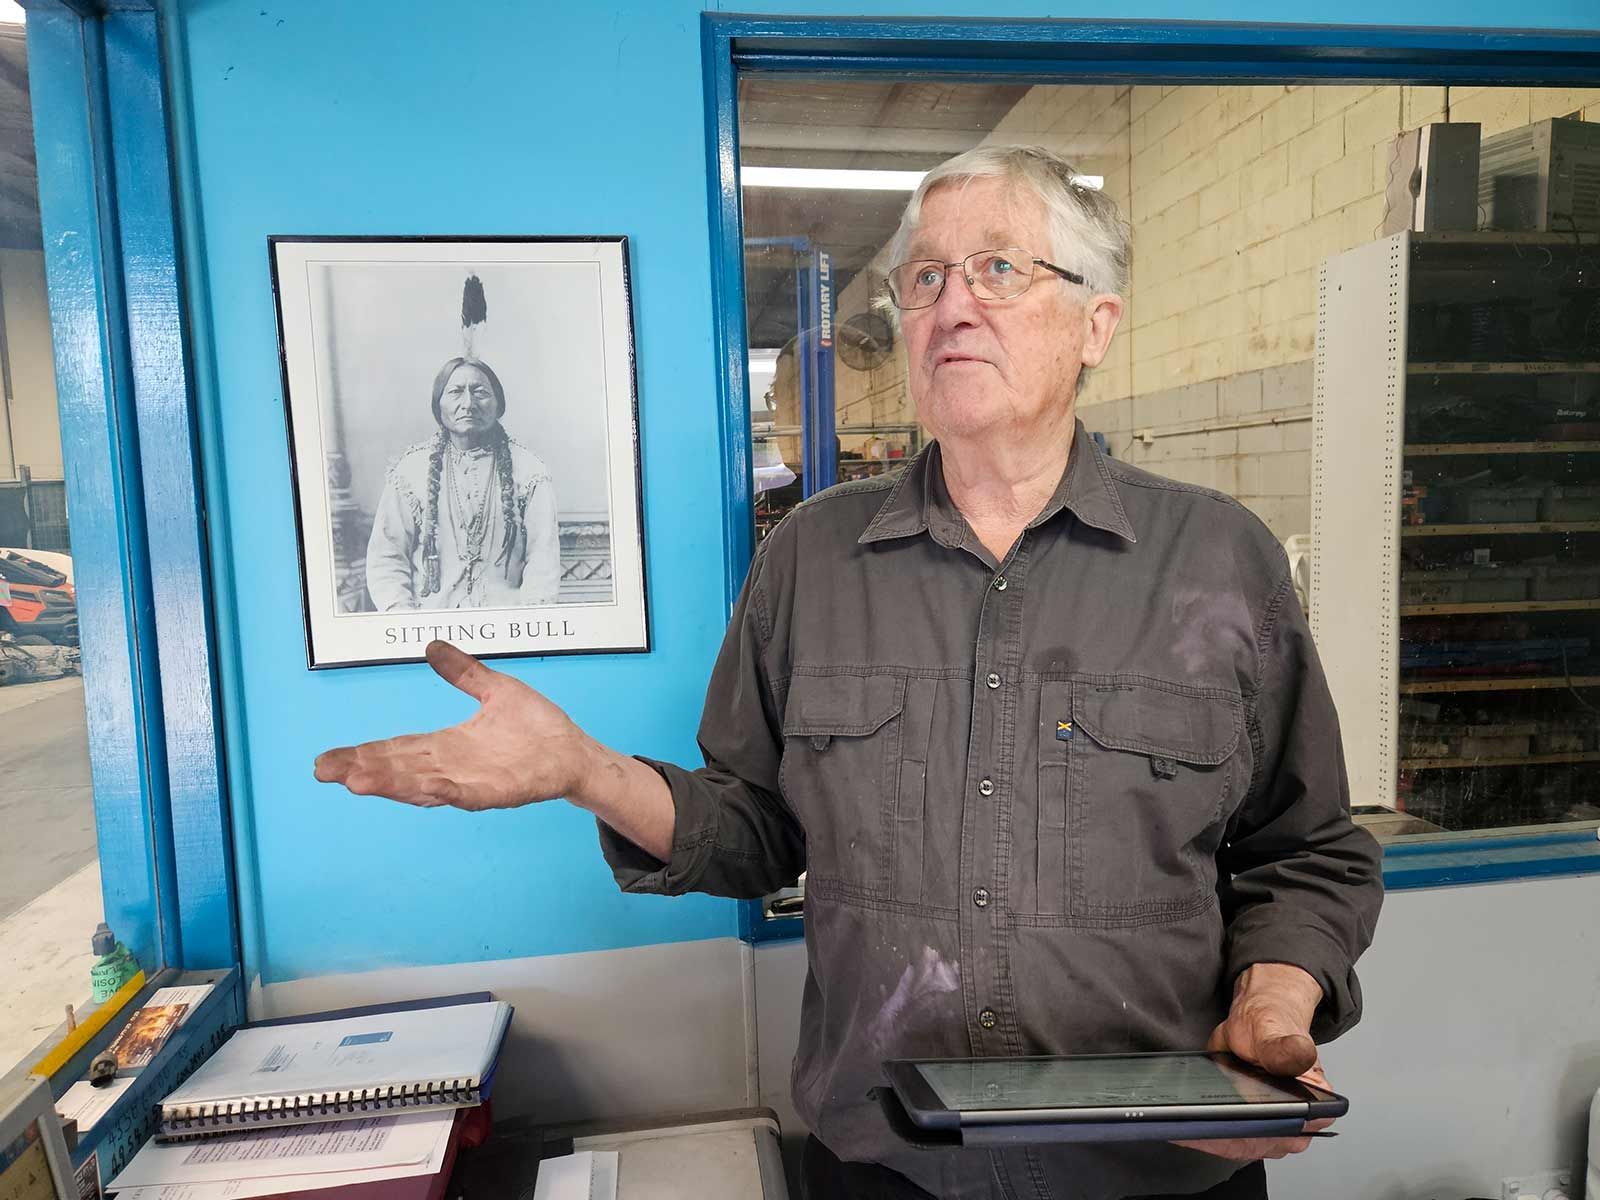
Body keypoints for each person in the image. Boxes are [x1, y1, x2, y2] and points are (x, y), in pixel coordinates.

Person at [316, 144, 1383, 1200]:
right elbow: (756, 828)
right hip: (887, 1170)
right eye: (925, 278)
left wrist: (1275, 1002)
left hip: (1163, 1172)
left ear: (1094, 323)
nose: (951, 304)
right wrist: (583, 770)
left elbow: (1309, 851)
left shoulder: (1218, 560)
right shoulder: (810, 559)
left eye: (998, 269)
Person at [364, 356, 561, 611]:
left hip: (507, 626)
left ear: (499, 405)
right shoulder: (410, 471)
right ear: (438, 405)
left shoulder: (530, 472)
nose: (468, 403)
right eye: (456, 392)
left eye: (480, 392)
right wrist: (406, 621)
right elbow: (386, 557)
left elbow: (543, 562)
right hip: (430, 628)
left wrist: (527, 624)